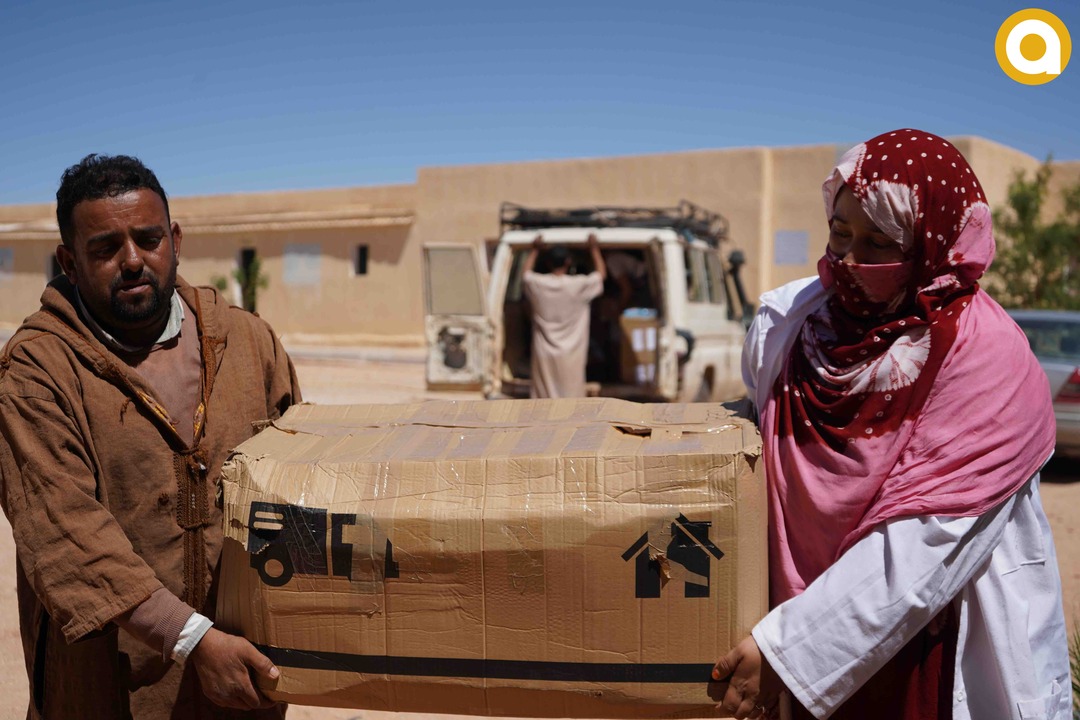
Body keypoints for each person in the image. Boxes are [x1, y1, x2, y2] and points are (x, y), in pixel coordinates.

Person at [711, 130, 1070, 719]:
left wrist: (788, 651)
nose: (850, 260)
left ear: (933, 244)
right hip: (784, 619)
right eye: (840, 232)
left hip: (927, 641)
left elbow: (928, 541)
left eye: (879, 242)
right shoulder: (789, 324)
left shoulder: (985, 358)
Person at [0, 154, 302, 719]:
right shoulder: (36, 372)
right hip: (110, 691)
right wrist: (191, 638)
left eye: (148, 238)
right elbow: (64, 533)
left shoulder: (248, 342)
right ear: (69, 262)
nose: (133, 260)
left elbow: (300, 484)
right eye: (105, 248)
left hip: (241, 683)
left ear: (175, 240)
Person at [521, 234, 606, 398]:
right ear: (568, 262)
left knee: (544, 396)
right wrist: (594, 249)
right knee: (571, 395)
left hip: (544, 351)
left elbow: (525, 275)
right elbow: (601, 275)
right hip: (572, 352)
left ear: (548, 263)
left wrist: (534, 250)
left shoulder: (539, 284)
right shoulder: (578, 284)